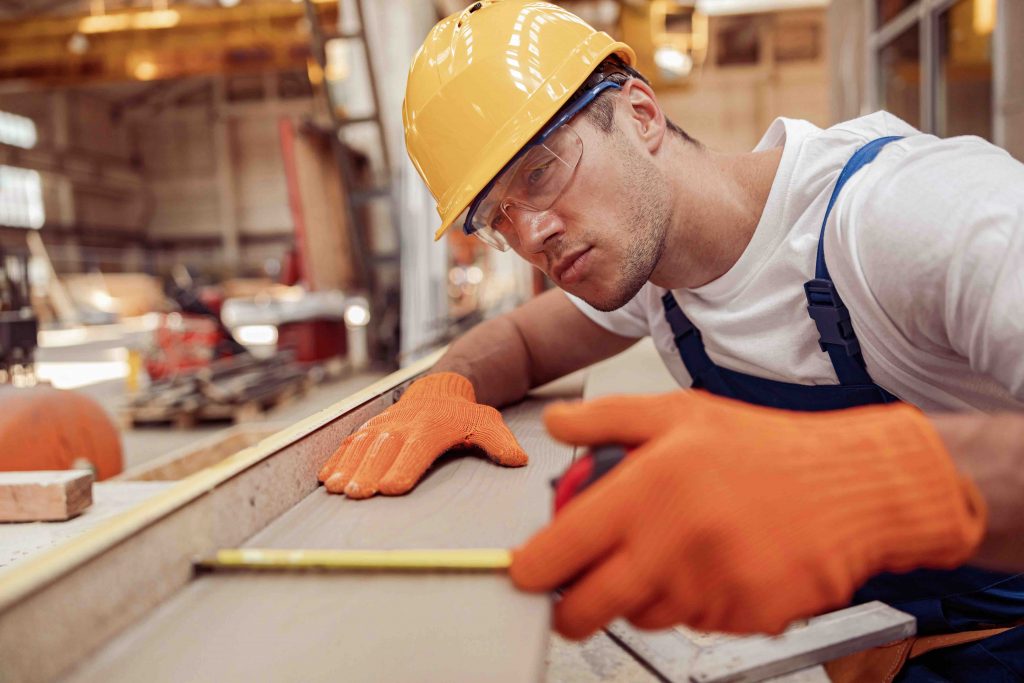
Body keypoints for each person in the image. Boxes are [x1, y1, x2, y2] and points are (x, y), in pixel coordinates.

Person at [317, 1, 1024, 678]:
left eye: (539, 171)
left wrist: (866, 487)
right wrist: (448, 385)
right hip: (881, 655)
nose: (529, 234)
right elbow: (523, 344)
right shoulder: (658, 278)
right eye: (497, 218)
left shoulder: (910, 213)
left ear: (641, 115)